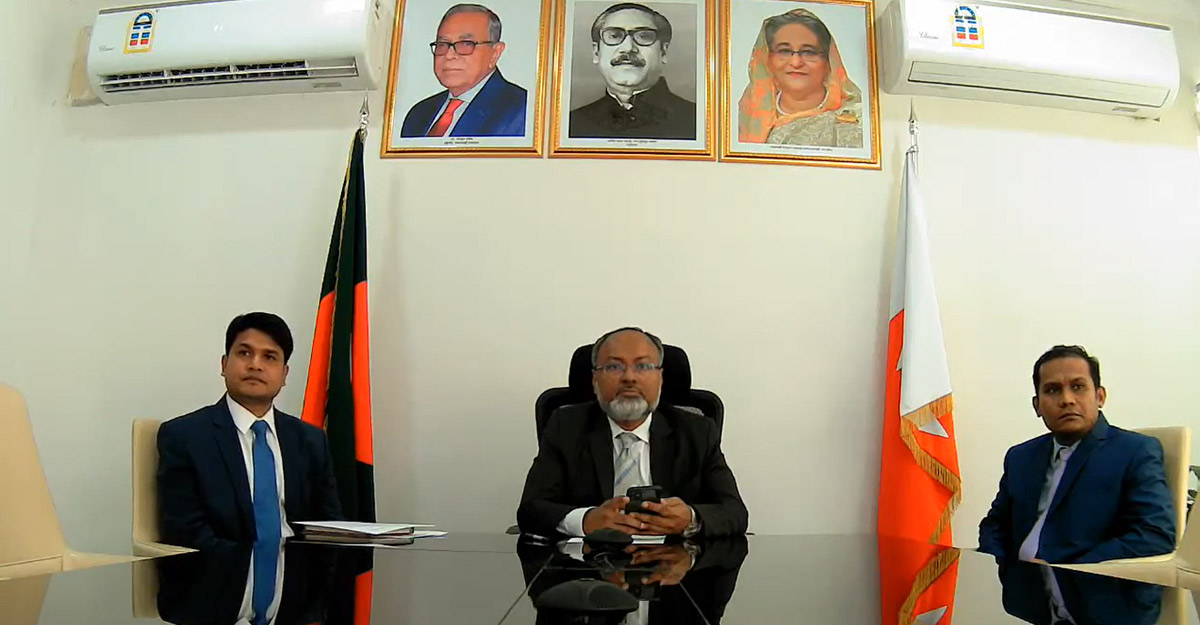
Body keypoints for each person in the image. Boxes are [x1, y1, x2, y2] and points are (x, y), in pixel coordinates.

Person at [517, 327, 748, 538]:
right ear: (595, 379)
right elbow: (531, 509)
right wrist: (585, 520)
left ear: (660, 377)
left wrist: (690, 518)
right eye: (614, 367)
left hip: (674, 562)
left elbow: (734, 512)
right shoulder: (566, 426)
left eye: (643, 366)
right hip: (588, 562)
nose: (629, 377)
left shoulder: (697, 431)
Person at [157, 313, 343, 551]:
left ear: (284, 374)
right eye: (244, 353)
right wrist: (253, 564)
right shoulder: (184, 437)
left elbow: (328, 527)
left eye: (269, 357)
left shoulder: (310, 441)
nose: (255, 364)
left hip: (296, 571)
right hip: (223, 571)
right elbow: (184, 533)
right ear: (224, 364)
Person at [978, 345, 1175, 564]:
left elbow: (1155, 534)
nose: (1067, 399)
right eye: (1052, 390)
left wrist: (1068, 569)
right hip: (1019, 582)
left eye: (1078, 387)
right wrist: (1005, 566)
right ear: (1037, 406)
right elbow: (995, 526)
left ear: (1100, 397)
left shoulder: (1135, 452)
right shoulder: (1020, 457)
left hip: (1087, 582)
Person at [737, 8, 863, 148]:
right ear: (768, 59)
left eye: (808, 52)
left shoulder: (855, 120)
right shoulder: (746, 116)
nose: (796, 62)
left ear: (829, 61)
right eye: (784, 51)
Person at [569, 3, 696, 140]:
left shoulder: (698, 121)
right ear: (596, 53)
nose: (628, 48)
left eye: (643, 36)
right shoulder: (571, 125)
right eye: (614, 36)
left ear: (663, 52)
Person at [400, 4, 527, 138]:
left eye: (466, 44)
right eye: (442, 44)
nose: (449, 55)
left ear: (495, 53)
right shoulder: (419, 114)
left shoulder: (522, 109)